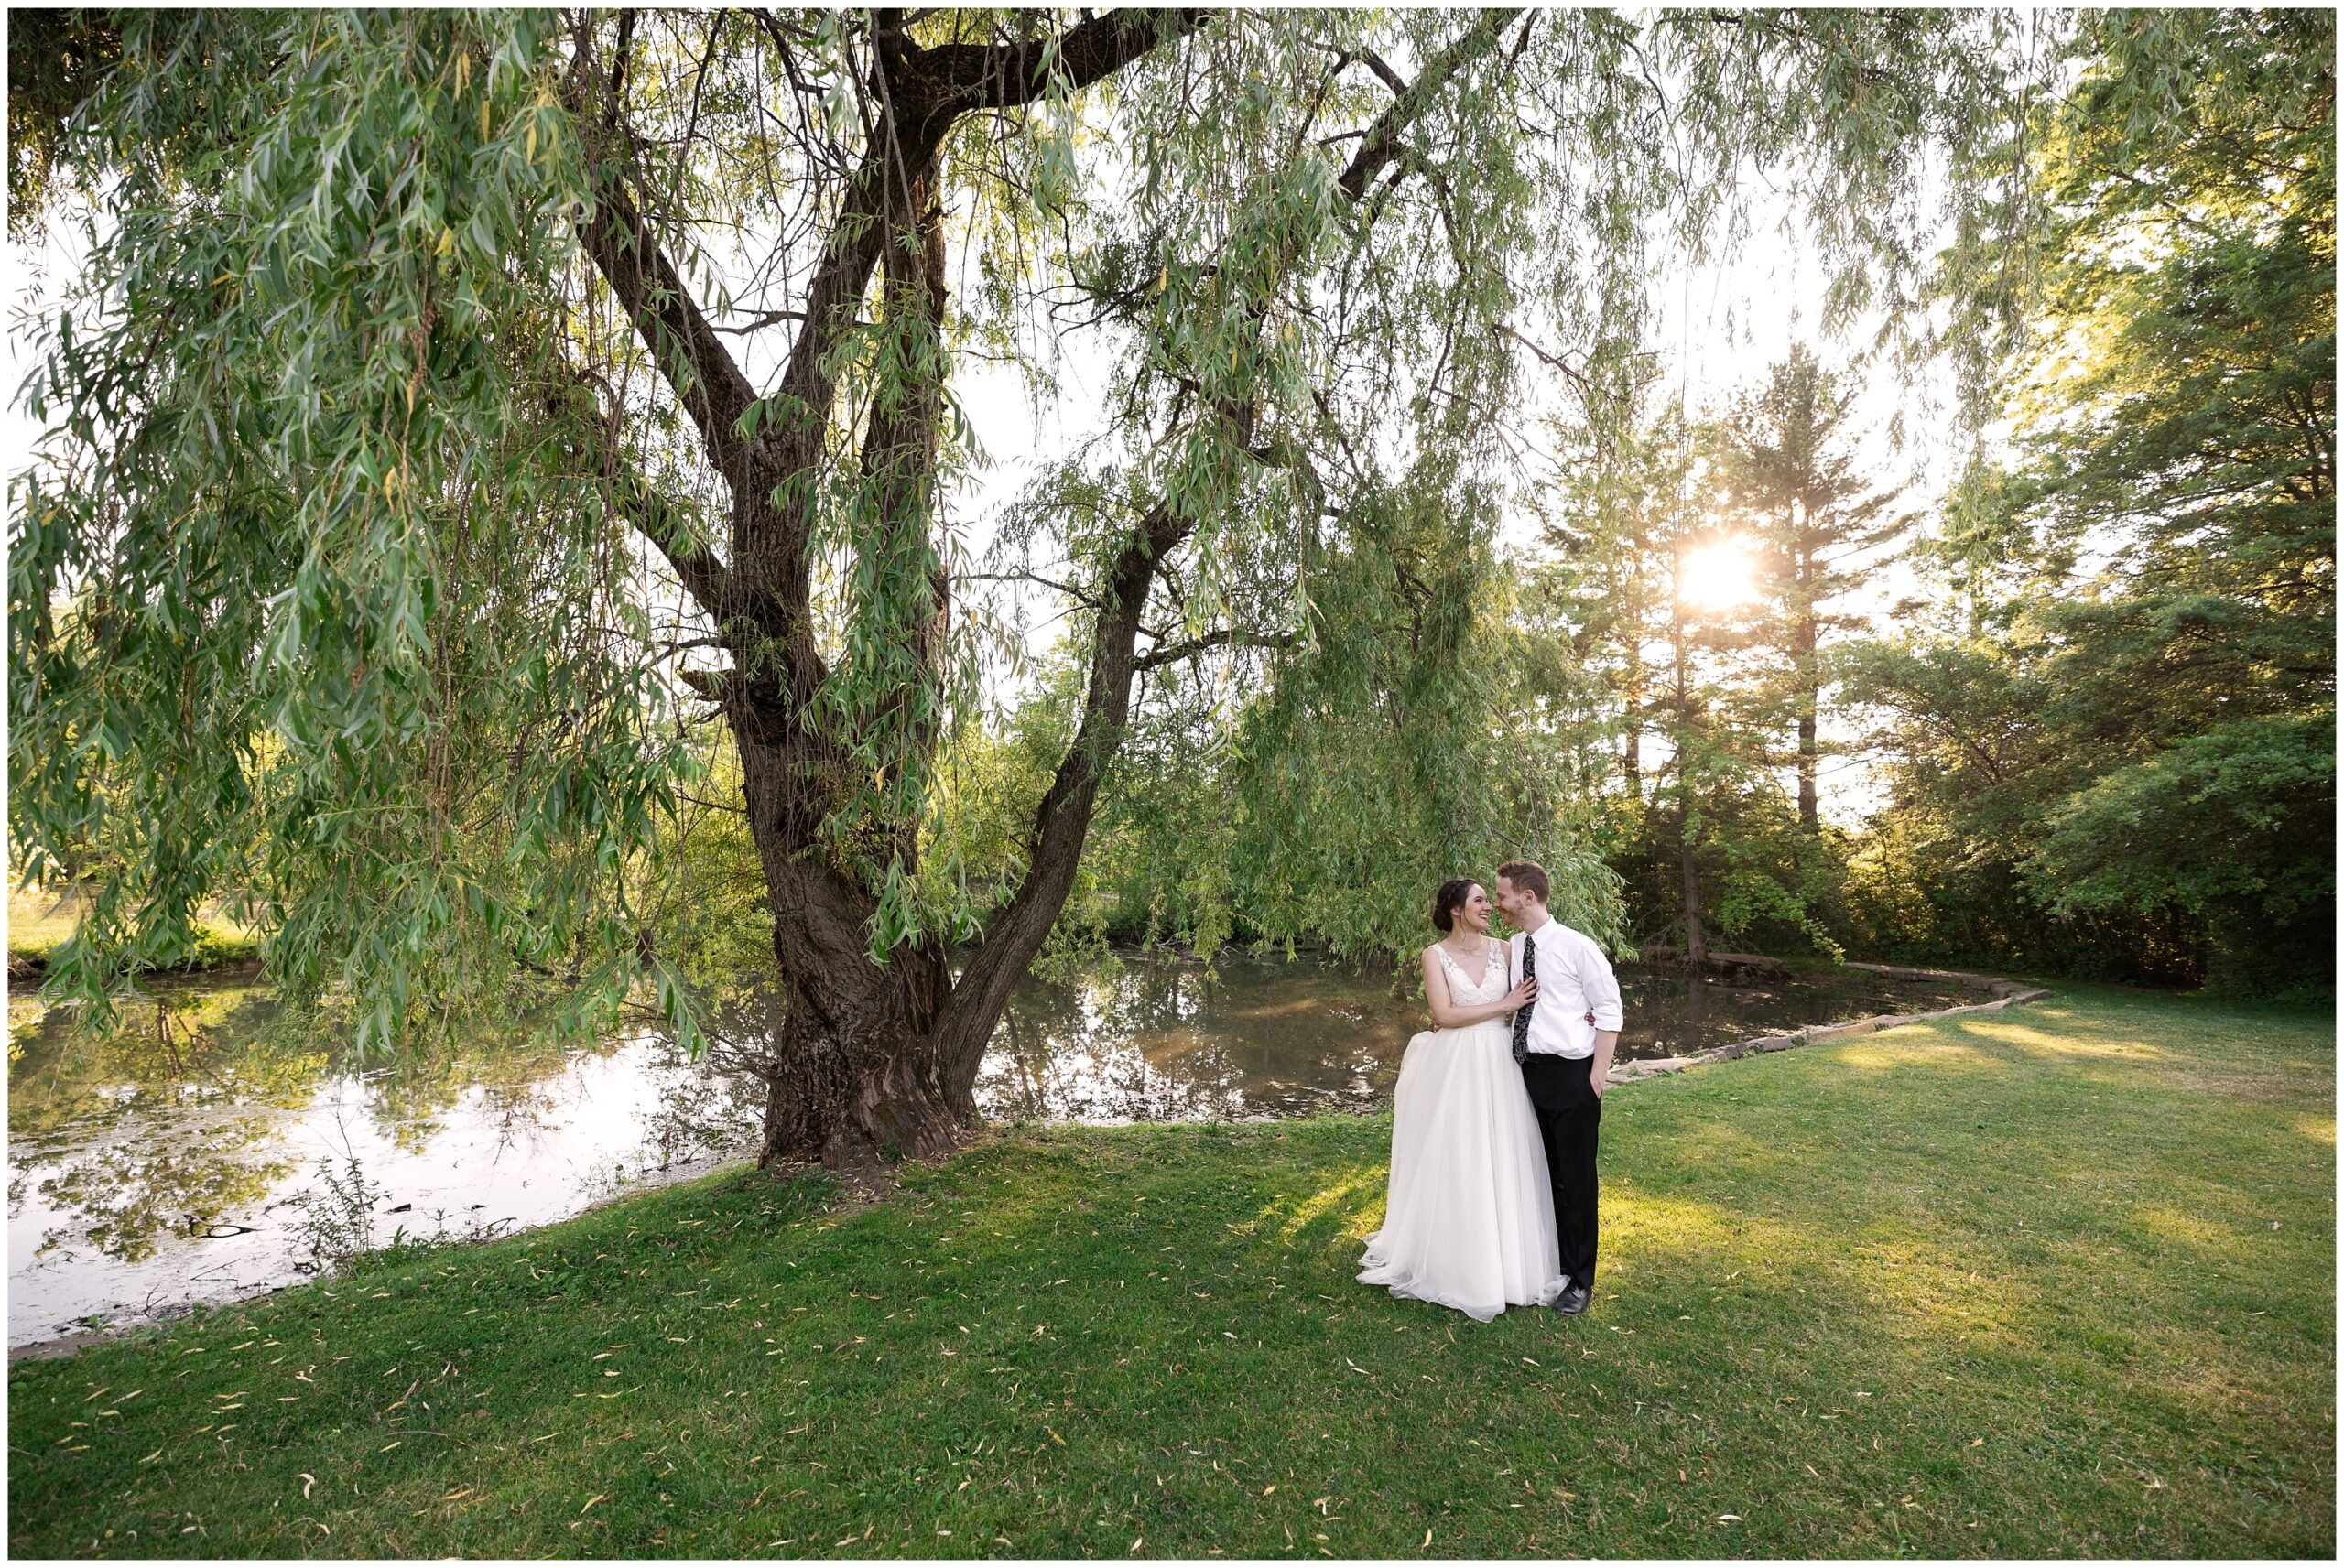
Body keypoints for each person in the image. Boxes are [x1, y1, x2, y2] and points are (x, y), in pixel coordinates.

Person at [1357, 878, 1568, 1321]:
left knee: (1504, 1153)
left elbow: (1538, 998)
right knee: (1461, 1156)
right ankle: (1457, 1260)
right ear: (1455, 909)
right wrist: (1502, 1004)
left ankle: (1510, 1264)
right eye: (1478, 900)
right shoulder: (1433, 956)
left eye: (1488, 900)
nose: (1489, 905)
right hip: (1456, 1066)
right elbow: (1445, 1015)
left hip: (1501, 1066)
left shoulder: (1506, 950)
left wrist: (1581, 1017)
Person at [1494, 859, 1623, 1316]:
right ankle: (1551, 1262)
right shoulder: (1513, 945)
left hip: (1573, 1076)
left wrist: (1597, 1075)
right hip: (1526, 1074)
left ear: (1527, 897)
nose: (1498, 904)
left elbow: (1609, 1009)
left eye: (1503, 895)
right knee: (1542, 1175)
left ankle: (1580, 1279)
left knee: (1576, 1177)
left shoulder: (1577, 947)